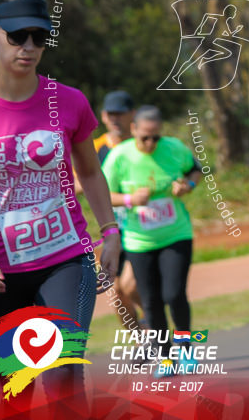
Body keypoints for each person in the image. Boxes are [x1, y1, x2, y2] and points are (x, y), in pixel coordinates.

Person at [0, 0, 120, 411]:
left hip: (64, 257)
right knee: (15, 388)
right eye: (17, 36)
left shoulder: (67, 101)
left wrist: (111, 230)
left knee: (63, 372)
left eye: (39, 37)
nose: (29, 47)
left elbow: (89, 169)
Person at [101, 105, 201, 376]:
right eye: (145, 137)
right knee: (152, 300)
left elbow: (196, 170)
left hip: (176, 235)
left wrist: (187, 186)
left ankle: (187, 350)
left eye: (155, 137)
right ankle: (166, 359)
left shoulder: (174, 148)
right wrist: (131, 199)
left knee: (174, 294)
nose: (150, 143)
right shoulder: (119, 157)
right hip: (139, 241)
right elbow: (102, 194)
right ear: (133, 129)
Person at [93, 90, 145, 330]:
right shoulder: (95, 148)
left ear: (132, 115)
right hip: (112, 229)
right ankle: (142, 342)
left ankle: (160, 331)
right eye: (110, 114)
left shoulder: (143, 143)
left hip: (141, 226)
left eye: (120, 114)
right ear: (103, 116)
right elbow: (76, 181)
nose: (115, 119)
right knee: (115, 292)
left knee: (131, 286)